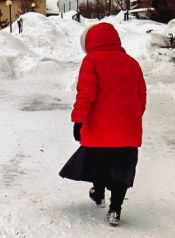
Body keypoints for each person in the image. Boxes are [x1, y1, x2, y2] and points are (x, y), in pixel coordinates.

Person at [59, 22, 146, 226]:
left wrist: (79, 120)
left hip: (99, 129)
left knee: (98, 162)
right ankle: (115, 209)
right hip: (127, 129)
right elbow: (141, 96)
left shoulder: (92, 61)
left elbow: (86, 95)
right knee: (121, 168)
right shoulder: (132, 63)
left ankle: (98, 193)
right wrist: (133, 117)